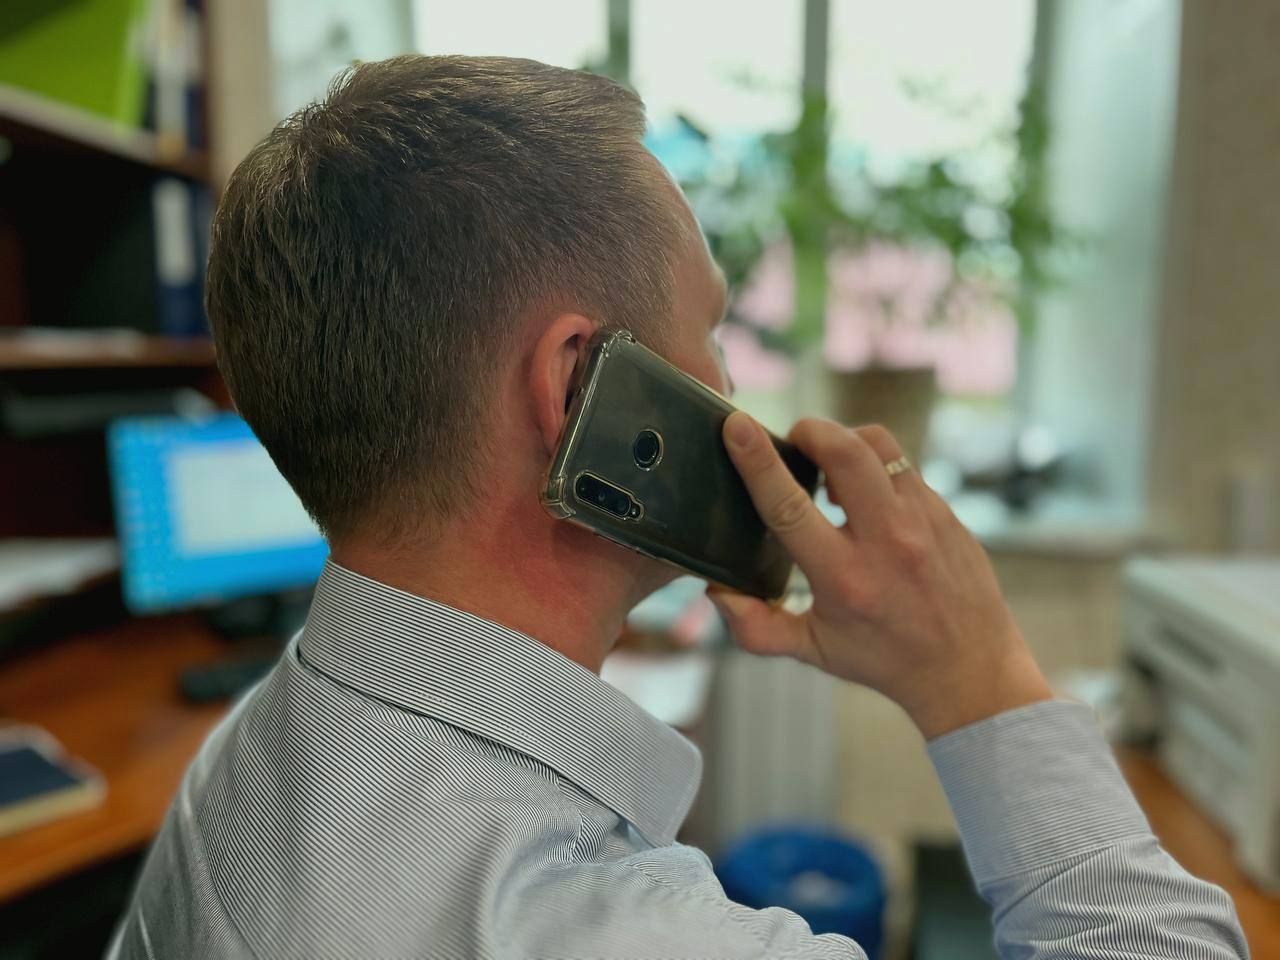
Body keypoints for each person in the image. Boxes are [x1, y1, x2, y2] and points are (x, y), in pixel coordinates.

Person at [110, 56, 1248, 959]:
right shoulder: (625, 933)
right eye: (709, 332)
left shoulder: (237, 768)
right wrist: (978, 678)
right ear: (575, 390)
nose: (729, 389)